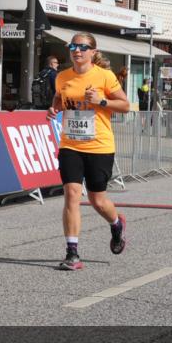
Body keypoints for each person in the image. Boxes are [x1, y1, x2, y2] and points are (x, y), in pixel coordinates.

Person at [46, 33, 130, 271]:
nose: (77, 50)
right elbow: (59, 98)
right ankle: (72, 253)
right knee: (72, 193)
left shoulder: (104, 76)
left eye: (83, 47)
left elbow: (125, 105)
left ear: (93, 52)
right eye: (73, 46)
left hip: (99, 146)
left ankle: (116, 225)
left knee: (98, 200)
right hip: (70, 145)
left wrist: (101, 101)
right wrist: (54, 108)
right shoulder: (62, 77)